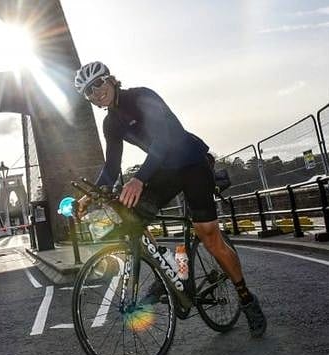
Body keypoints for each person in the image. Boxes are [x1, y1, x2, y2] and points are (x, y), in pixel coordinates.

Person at [73, 61, 267, 338]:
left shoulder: (142, 96)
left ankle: (247, 298)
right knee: (131, 215)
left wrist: (139, 179)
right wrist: (88, 197)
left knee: (208, 234)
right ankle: (169, 271)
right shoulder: (110, 123)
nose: (95, 92)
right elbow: (111, 166)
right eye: (88, 92)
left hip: (190, 163)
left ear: (111, 80)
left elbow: (165, 140)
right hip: (164, 170)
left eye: (98, 84)